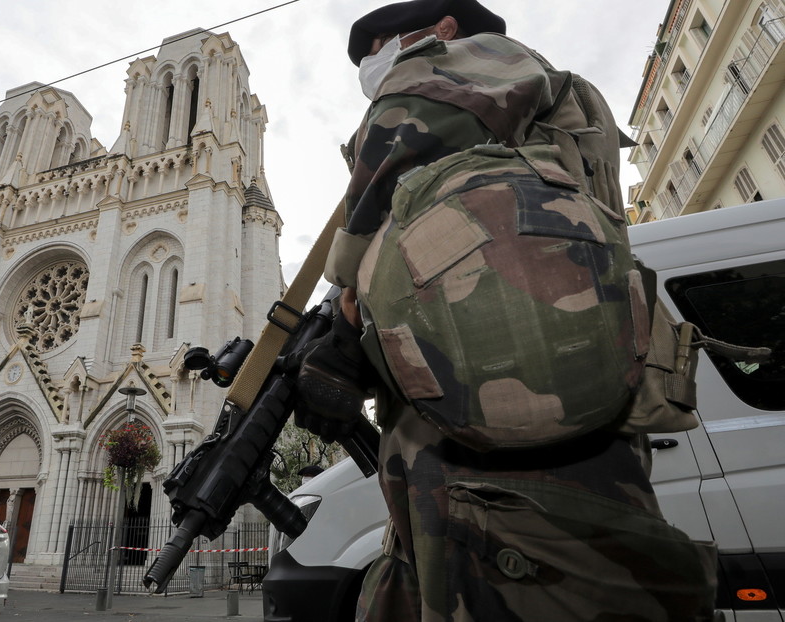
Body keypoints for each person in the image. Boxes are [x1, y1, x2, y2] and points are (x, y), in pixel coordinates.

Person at [293, 1, 720, 620]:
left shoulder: (484, 62)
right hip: (496, 412)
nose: (371, 64)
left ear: (442, 30)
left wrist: (344, 297)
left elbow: (406, 127)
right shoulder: (522, 105)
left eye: (380, 45)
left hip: (516, 413)